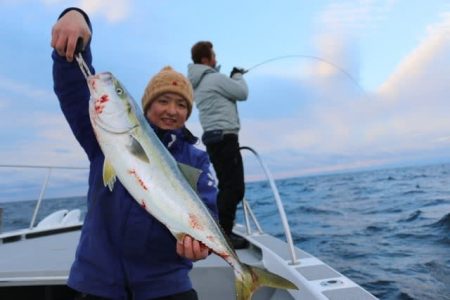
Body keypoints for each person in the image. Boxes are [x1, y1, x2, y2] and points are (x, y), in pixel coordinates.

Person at [51, 8, 218, 300]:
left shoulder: (196, 159)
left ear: (188, 112)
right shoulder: (101, 139)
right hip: (97, 282)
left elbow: (207, 211)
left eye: (181, 105)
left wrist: (199, 245)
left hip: (167, 284)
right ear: (142, 107)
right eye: (163, 100)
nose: (171, 110)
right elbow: (71, 86)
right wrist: (76, 16)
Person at [187, 41, 249, 249]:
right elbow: (242, 93)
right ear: (205, 59)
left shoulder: (199, 83)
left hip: (213, 139)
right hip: (225, 138)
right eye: (213, 56)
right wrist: (238, 75)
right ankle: (224, 235)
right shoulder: (214, 79)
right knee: (234, 188)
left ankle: (221, 230)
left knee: (227, 185)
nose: (216, 59)